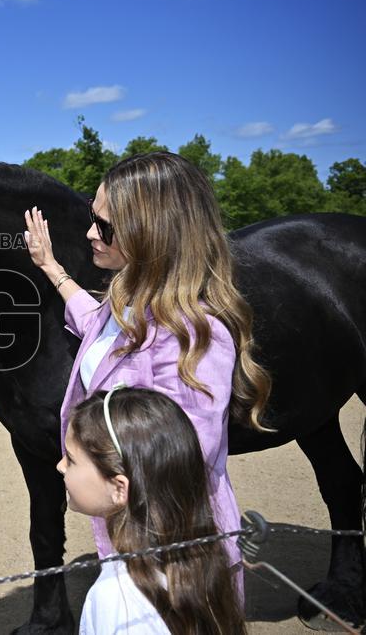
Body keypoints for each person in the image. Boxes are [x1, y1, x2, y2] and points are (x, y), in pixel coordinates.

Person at [23, 151, 271, 578]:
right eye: (92, 216)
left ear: (151, 233)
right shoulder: (131, 302)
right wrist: (51, 268)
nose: (89, 233)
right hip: (130, 536)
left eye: (104, 226)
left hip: (175, 557)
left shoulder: (195, 334)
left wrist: (85, 463)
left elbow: (186, 451)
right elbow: (97, 329)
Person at [60, 386, 246, 634]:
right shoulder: (199, 563)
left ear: (119, 488)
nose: (60, 466)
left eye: (71, 459)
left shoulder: (117, 598)